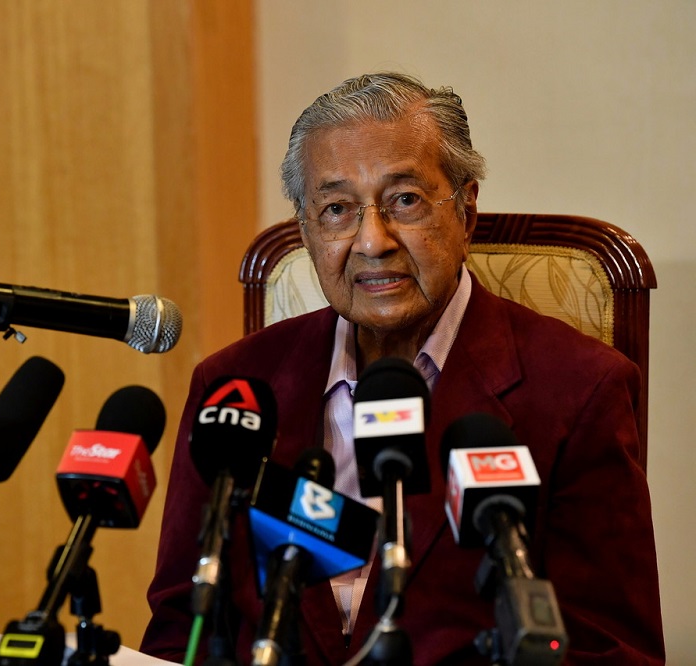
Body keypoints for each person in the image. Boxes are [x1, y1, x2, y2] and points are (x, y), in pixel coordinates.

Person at [140, 72, 664, 665]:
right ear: (306, 230)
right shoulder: (235, 388)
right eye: (336, 209)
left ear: (466, 210)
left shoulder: (578, 389)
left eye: (405, 200)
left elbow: (615, 652)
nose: (373, 241)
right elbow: (180, 630)